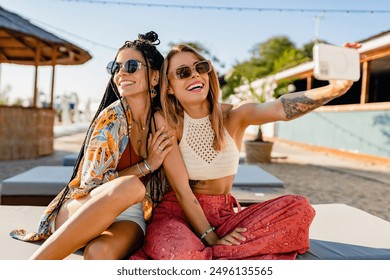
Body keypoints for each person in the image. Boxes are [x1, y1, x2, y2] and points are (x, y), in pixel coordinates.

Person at [130, 42, 361, 260]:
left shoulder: (236, 115)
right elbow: (182, 191)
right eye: (183, 72)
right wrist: (212, 238)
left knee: (298, 208)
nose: (195, 75)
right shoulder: (168, 121)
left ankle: (210, 257)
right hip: (178, 215)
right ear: (169, 87)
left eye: (201, 67)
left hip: (224, 215)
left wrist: (335, 89)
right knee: (183, 257)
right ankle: (217, 254)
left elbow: (281, 108)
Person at [10, 31, 174, 260]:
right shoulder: (112, 119)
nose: (122, 73)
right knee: (132, 187)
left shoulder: (159, 121)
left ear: (155, 78)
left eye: (132, 65)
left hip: (131, 213)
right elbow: (92, 185)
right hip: (82, 205)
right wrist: (146, 166)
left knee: (100, 253)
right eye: (115, 67)